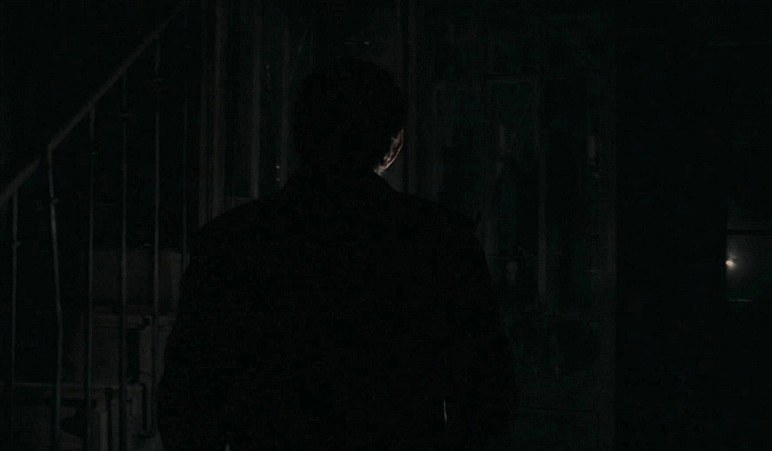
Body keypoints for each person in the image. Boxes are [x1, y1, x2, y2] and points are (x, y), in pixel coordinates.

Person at [157, 57, 517, 450]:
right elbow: (489, 399)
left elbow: (187, 402)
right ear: (394, 143)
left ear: (299, 136)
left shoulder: (230, 243)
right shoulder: (442, 244)